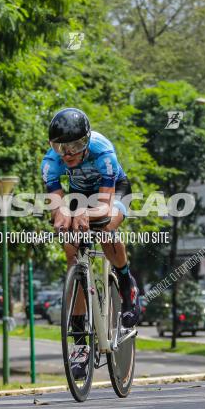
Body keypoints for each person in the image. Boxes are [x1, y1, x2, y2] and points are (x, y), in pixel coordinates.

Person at [40, 108, 140, 379]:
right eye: (61, 146)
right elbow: (57, 207)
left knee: (106, 228)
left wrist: (85, 212)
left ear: (86, 141)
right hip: (80, 194)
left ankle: (127, 284)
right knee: (71, 246)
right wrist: (61, 215)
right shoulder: (51, 163)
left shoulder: (103, 152)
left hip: (114, 190)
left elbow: (105, 208)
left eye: (74, 145)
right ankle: (80, 346)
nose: (68, 153)